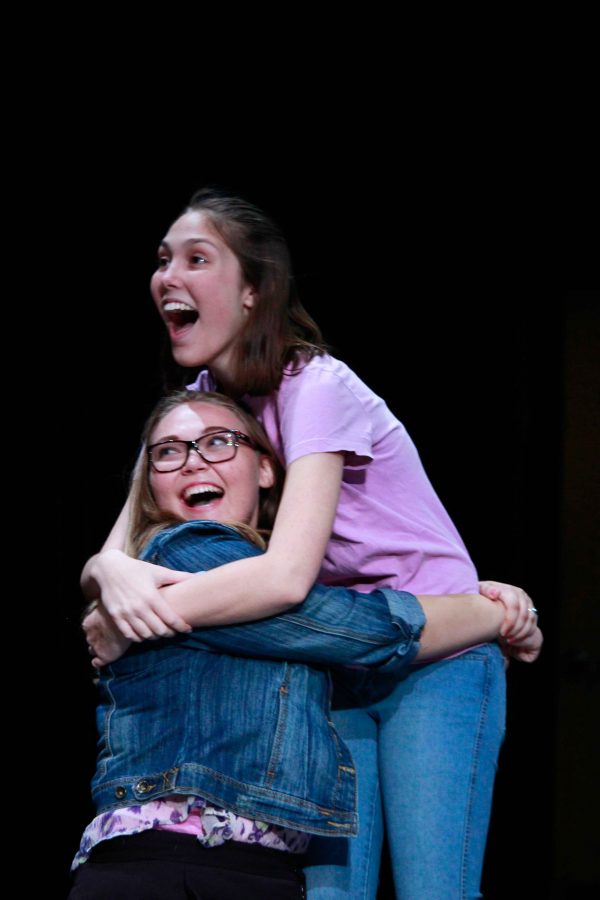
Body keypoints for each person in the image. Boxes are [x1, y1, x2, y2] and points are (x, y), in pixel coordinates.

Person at [82, 188, 542, 899]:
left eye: (197, 259)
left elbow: (286, 578)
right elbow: (124, 548)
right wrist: (109, 584)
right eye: (163, 259)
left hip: (435, 644)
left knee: (434, 889)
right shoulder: (206, 408)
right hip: (325, 651)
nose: (168, 276)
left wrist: (144, 614)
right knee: (328, 894)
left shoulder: (314, 385)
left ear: (253, 292)